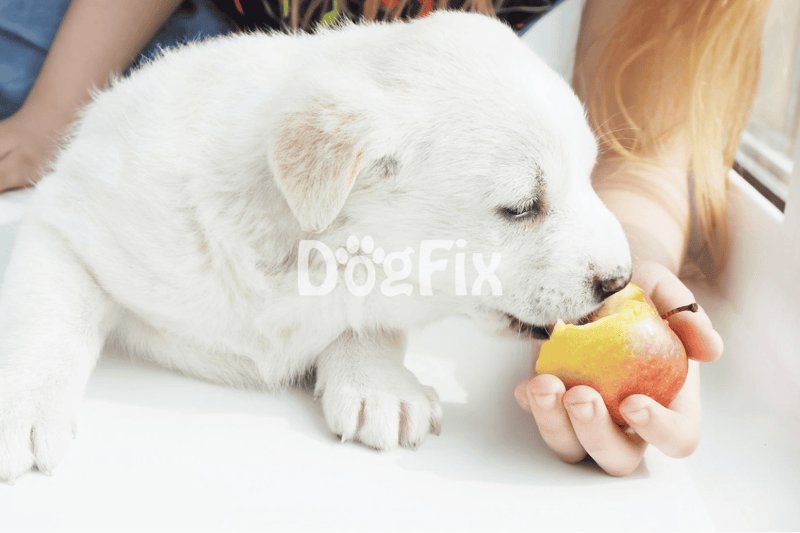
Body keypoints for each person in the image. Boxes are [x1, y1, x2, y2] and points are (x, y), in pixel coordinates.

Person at [0, 0, 768, 476]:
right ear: (338, 175)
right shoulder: (181, 179)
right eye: (519, 207)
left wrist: (644, 285)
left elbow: (649, 132)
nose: (609, 265)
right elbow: (63, 234)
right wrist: (49, 120)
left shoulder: (426, 152)